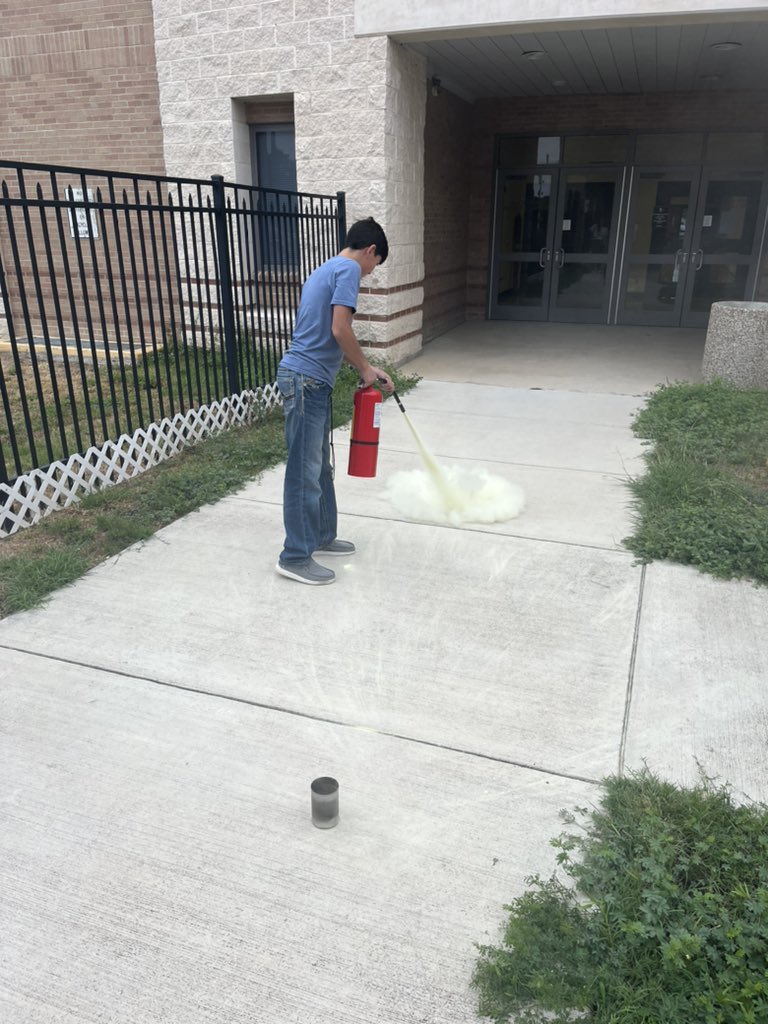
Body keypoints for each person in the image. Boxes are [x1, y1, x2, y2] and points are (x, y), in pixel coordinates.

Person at [275, 217, 394, 586]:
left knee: (319, 467)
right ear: (370, 250)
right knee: (303, 472)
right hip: (305, 381)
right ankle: (294, 556)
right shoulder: (347, 270)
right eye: (376, 265)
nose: (371, 272)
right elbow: (340, 329)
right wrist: (365, 369)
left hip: (310, 381)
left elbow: (331, 336)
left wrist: (366, 367)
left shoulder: (328, 267)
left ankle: (322, 535)